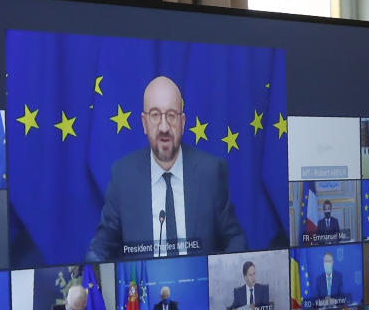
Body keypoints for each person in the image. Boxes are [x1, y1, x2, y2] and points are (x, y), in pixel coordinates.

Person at [85, 76, 247, 261]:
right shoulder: (123, 176)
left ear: (183, 122)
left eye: (171, 115)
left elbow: (235, 238)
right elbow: (100, 248)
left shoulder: (210, 172)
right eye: (155, 115)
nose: (164, 127)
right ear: (144, 123)